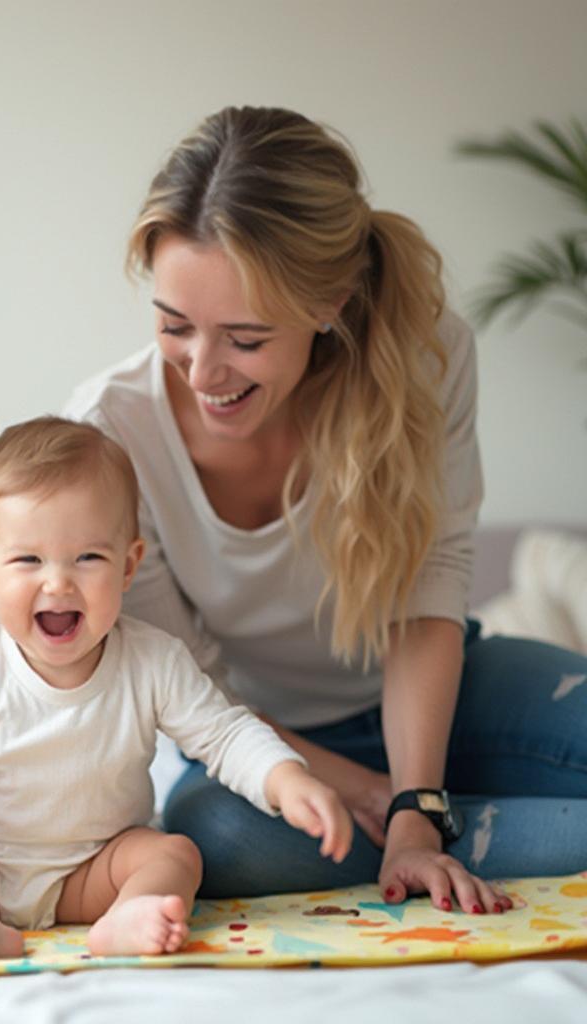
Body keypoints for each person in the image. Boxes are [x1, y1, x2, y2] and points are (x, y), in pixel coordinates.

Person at [65, 105, 587, 915]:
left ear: (330, 302)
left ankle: (437, 828)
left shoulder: (429, 359)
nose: (203, 372)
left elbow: (432, 589)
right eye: (174, 326)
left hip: (436, 689)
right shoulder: (110, 434)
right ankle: (456, 834)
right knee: (214, 839)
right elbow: (190, 687)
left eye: (244, 337)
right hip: (259, 743)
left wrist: (415, 797)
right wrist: (384, 799)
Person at [0, 417, 352, 960]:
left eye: (88, 557)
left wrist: (284, 779)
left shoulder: (153, 660)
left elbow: (226, 734)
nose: (58, 582)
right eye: (28, 559)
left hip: (96, 868)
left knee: (176, 854)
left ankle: (127, 918)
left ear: (129, 565)